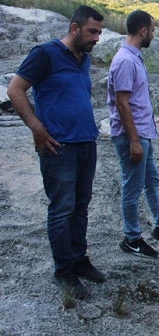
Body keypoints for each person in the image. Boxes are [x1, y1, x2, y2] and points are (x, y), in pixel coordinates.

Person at [7, 5, 106, 300]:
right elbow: (15, 90)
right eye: (92, 31)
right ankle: (64, 271)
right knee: (62, 209)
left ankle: (78, 259)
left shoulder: (83, 59)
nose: (97, 38)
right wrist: (37, 128)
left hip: (86, 142)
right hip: (59, 146)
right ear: (74, 28)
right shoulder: (45, 54)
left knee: (80, 206)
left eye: (100, 32)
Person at [107, 10, 159, 258]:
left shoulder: (133, 57)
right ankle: (131, 238)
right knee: (132, 187)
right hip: (134, 137)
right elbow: (122, 104)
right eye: (152, 30)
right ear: (143, 31)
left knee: (151, 180)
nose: (153, 34)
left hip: (143, 134)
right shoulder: (126, 61)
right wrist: (134, 141)